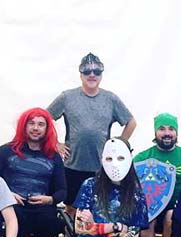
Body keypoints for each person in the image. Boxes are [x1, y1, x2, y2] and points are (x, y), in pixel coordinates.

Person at [47, 52, 137, 215]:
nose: (92, 75)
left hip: (102, 165)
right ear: (80, 75)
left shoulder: (111, 99)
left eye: (97, 71)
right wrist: (55, 143)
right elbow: (45, 118)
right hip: (73, 164)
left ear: (101, 75)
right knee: (72, 208)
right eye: (87, 72)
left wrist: (119, 145)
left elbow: (131, 122)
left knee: (100, 208)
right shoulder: (67, 97)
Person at [0, 108, 66, 237]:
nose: (36, 128)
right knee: (16, 220)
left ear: (47, 129)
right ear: (23, 126)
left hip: (41, 206)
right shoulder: (6, 151)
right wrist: (7, 194)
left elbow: (62, 190)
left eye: (40, 124)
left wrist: (50, 199)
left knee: (49, 220)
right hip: (13, 205)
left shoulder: (53, 156)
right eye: (31, 123)